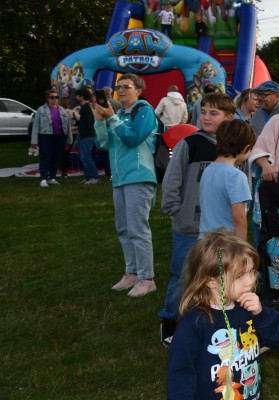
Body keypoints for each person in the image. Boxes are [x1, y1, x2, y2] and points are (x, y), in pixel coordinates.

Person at [166, 230, 279, 400]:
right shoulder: (194, 325)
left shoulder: (247, 309)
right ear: (211, 279)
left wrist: (262, 314)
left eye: (252, 272)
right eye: (240, 276)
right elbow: (179, 377)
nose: (250, 281)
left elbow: (277, 338)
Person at [160, 91, 236, 346]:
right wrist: (176, 209)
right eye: (203, 112)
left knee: (218, 277)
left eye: (213, 113)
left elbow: (243, 181)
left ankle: (210, 323)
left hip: (221, 228)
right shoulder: (189, 144)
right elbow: (172, 180)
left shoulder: (234, 147)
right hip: (189, 227)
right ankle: (171, 322)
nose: (206, 117)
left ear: (229, 117)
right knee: (183, 275)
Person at [93, 74, 159, 297]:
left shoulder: (144, 110)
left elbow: (133, 138)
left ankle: (147, 278)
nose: (120, 91)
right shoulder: (118, 113)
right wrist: (99, 120)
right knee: (123, 228)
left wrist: (111, 119)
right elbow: (103, 143)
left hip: (139, 176)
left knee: (137, 228)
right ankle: (131, 272)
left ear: (138, 90)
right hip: (120, 179)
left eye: (126, 87)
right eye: (118, 87)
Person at [199, 120, 255, 238]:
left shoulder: (207, 170)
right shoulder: (236, 176)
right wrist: (242, 247)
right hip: (226, 245)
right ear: (245, 149)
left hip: (205, 242)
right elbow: (239, 218)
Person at [30, 89, 72, 187]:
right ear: (47, 99)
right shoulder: (41, 110)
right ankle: (43, 178)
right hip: (46, 136)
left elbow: (67, 126)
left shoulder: (62, 110)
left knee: (56, 157)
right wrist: (34, 141)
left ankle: (52, 177)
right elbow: (36, 126)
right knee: (45, 157)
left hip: (59, 136)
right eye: (52, 97)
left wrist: (69, 139)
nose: (54, 99)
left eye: (56, 97)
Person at [73, 88, 101, 184]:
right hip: (87, 135)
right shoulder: (87, 107)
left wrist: (82, 134)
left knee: (86, 157)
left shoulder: (86, 107)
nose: (76, 97)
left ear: (81, 96)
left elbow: (87, 123)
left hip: (87, 136)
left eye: (77, 95)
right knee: (85, 157)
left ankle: (94, 176)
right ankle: (88, 177)